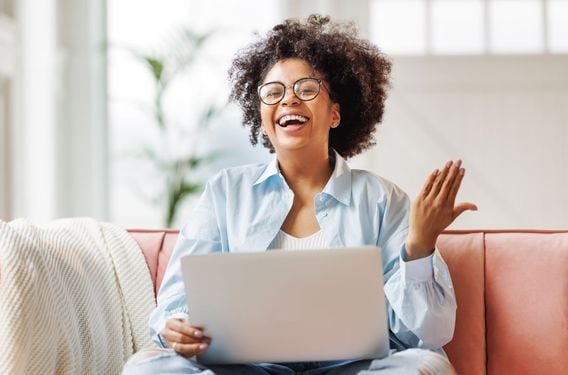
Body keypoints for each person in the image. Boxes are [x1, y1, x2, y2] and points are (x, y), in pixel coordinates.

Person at [123, 14, 477, 375]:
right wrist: (178, 325)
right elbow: (176, 302)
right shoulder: (226, 193)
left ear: (336, 113)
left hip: (353, 369)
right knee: (148, 368)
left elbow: (427, 334)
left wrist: (419, 248)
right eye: (274, 93)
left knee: (427, 367)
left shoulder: (383, 199)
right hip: (248, 369)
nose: (288, 100)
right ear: (261, 115)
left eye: (306, 90)